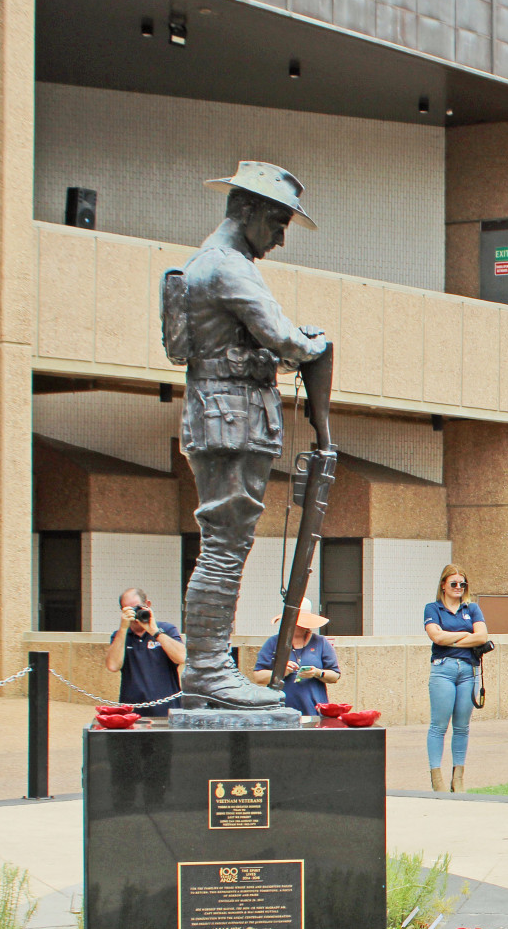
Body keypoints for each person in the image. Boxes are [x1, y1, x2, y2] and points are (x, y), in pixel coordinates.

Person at [173, 163, 331, 712]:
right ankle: (209, 669)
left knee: (224, 546)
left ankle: (207, 669)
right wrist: (312, 343)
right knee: (223, 548)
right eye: (277, 221)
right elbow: (284, 336)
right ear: (246, 211)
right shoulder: (226, 267)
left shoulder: (210, 262)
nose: (282, 236)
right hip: (230, 419)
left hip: (225, 415)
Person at [424, 565, 486, 792]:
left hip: (468, 671)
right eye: (454, 584)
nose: (459, 587)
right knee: (439, 725)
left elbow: (482, 636)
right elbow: (436, 637)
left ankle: (458, 778)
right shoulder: (433, 608)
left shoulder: (472, 608)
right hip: (443, 669)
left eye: (463, 584)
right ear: (443, 585)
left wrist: (451, 639)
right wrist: (466, 635)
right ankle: (437, 778)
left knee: (462, 726)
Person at [250, 597, 340, 714]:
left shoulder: (320, 642)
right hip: (280, 711)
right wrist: (281, 672)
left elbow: (335, 676)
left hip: (314, 710)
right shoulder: (273, 643)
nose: (298, 626)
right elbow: (258, 676)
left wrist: (317, 673)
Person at [103, 586, 183, 716]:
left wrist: (155, 632)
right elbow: (112, 666)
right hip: (132, 713)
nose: (135, 614)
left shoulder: (166, 630)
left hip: (168, 711)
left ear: (148, 605)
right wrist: (123, 628)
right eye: (129, 610)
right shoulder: (120, 636)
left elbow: (181, 657)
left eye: (137, 608)